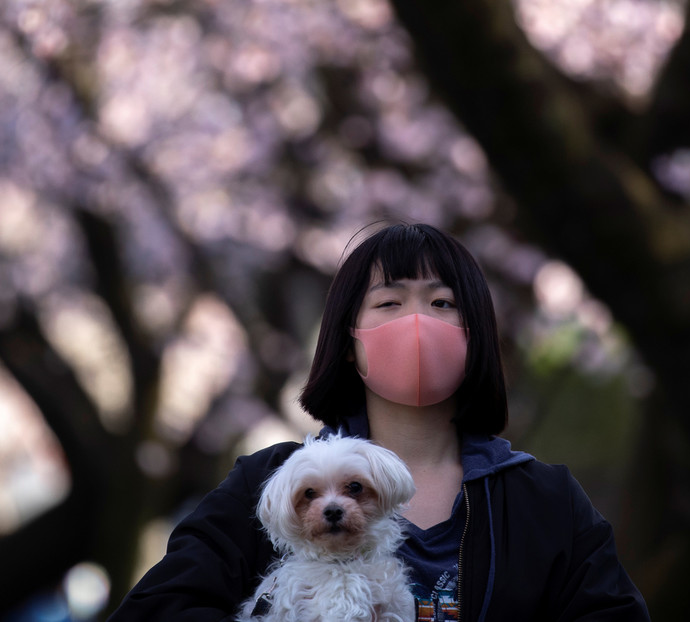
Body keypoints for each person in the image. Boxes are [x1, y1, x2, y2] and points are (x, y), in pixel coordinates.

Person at [107, 223, 650, 621]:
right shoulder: (269, 484)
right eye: (389, 303)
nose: (416, 323)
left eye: (442, 303)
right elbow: (155, 611)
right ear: (348, 340)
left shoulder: (544, 502)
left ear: (477, 334)